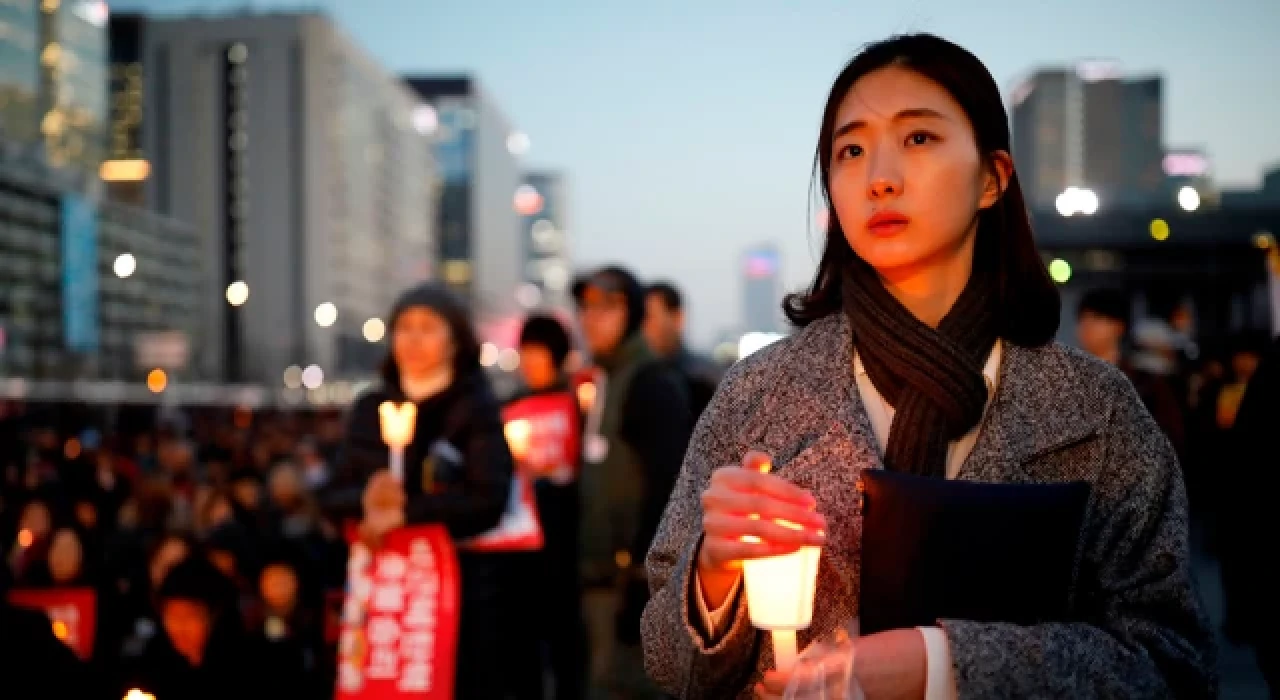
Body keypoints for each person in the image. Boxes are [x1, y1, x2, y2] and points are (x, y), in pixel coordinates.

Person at [640, 34, 1214, 699]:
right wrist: (713, 573)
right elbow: (668, 662)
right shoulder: (759, 394)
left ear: (993, 178)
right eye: (850, 150)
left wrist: (943, 664)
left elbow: (1174, 666)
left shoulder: (1095, 411)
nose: (879, 175)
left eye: (918, 139)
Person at [334, 282, 514, 699]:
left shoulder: (475, 408)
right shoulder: (370, 407)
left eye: (428, 328)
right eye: (404, 327)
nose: (413, 339)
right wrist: (366, 502)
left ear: (455, 341)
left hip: (462, 596)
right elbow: (332, 493)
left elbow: (488, 498)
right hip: (383, 596)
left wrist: (407, 513)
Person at [575, 266, 693, 699]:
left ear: (633, 315)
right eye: (586, 307)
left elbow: (671, 488)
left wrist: (644, 581)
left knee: (626, 688)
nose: (591, 318)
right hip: (599, 580)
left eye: (608, 307)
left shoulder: (650, 383)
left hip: (630, 587)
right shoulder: (603, 378)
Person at [508, 313, 588, 700]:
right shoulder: (510, 407)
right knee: (523, 643)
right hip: (521, 541)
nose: (531, 364)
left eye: (538, 355)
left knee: (566, 641)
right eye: (526, 354)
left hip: (565, 536)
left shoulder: (576, 404)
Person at [1075, 288, 1186, 456]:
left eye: (1097, 318)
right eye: (1083, 319)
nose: (1087, 326)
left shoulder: (1145, 383)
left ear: (1119, 326)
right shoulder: (1068, 380)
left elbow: (1170, 436)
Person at [643, 281, 722, 422]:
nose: (643, 328)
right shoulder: (635, 379)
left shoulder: (704, 378)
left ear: (678, 318)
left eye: (649, 317)